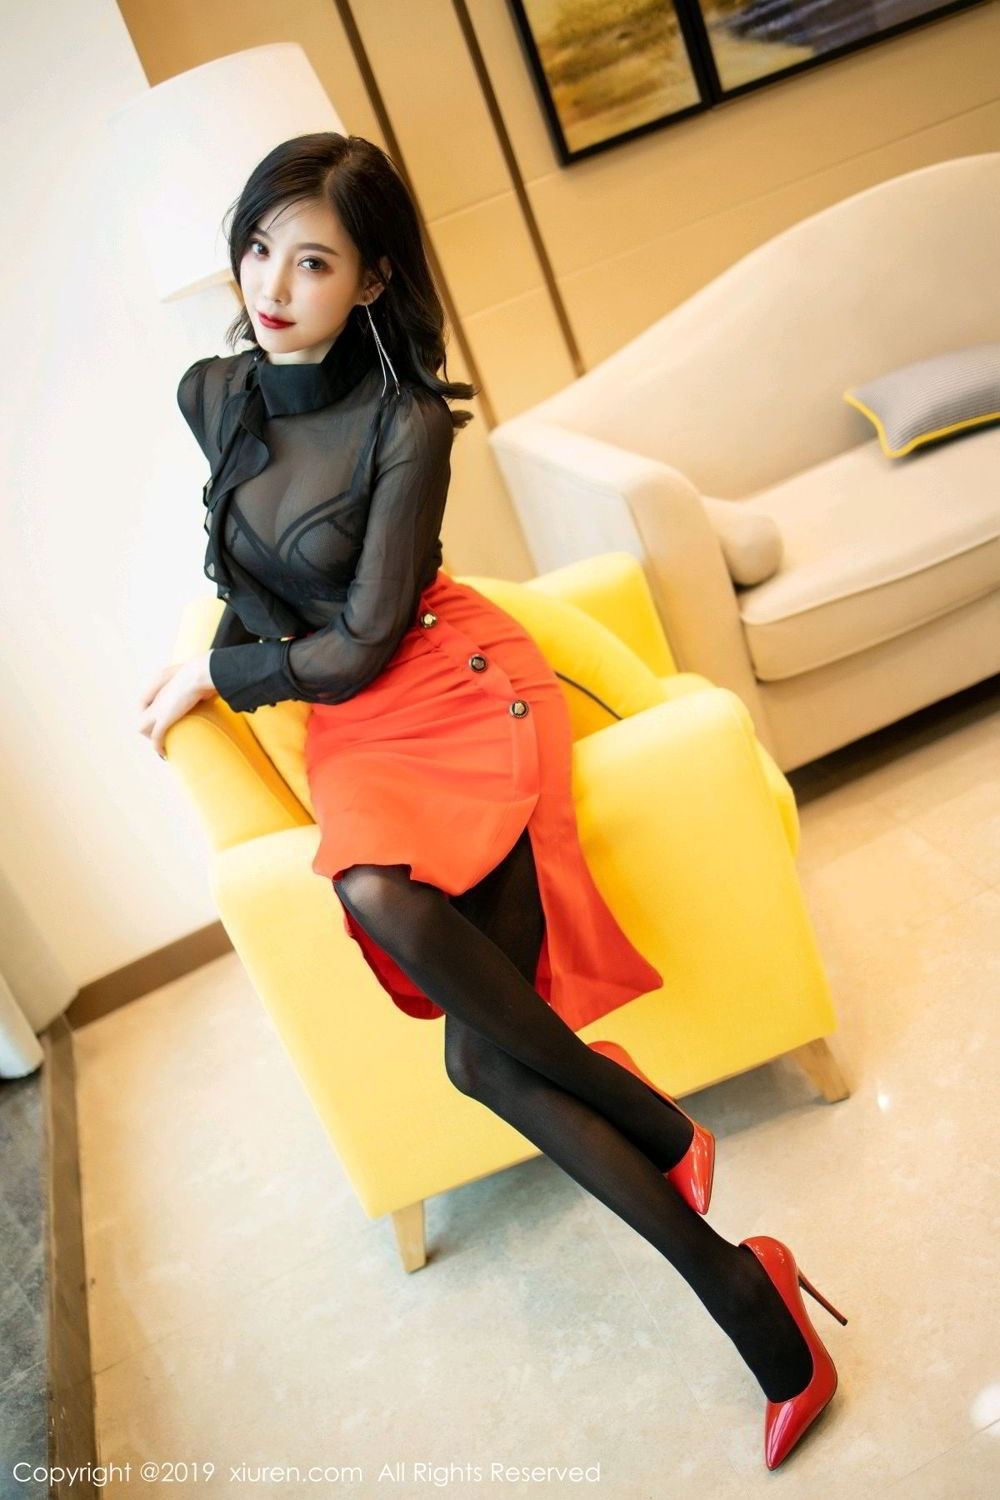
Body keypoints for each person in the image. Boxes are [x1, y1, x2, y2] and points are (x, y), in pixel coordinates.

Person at [138, 132, 845, 1470]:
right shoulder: (212, 392)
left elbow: (362, 641)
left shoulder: (406, 422)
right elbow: (252, 570)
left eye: (314, 261)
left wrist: (218, 676)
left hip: (454, 691)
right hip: (355, 733)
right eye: (259, 248)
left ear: (371, 278)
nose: (273, 285)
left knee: (392, 921)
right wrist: (211, 658)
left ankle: (711, 1227)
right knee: (472, 1051)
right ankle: (744, 1278)